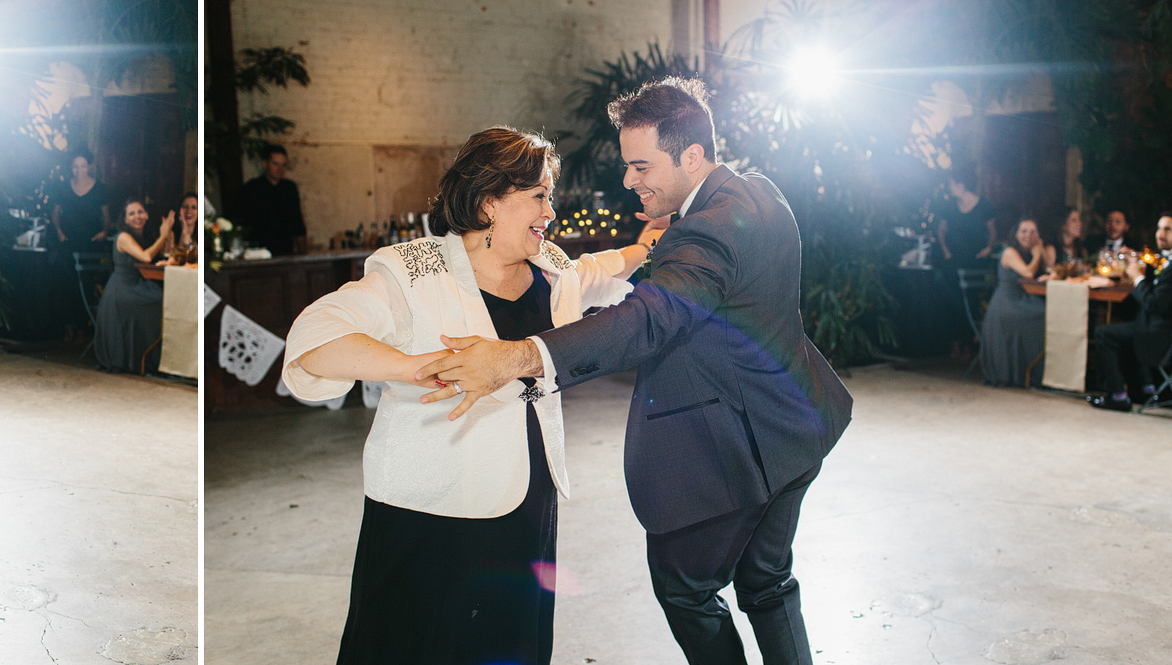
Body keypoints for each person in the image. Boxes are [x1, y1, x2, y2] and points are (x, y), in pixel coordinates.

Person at [414, 78, 852, 665]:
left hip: (734, 453)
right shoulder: (760, 195)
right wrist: (644, 251)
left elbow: (648, 319)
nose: (628, 180)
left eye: (641, 165)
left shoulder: (705, 233)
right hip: (796, 429)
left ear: (691, 156)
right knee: (769, 583)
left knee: (685, 589)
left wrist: (519, 356)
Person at [281, 127, 662, 664]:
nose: (550, 210)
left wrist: (645, 247)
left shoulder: (551, 269)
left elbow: (596, 272)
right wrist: (416, 367)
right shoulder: (414, 271)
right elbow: (313, 338)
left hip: (528, 500)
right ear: (490, 201)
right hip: (432, 509)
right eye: (538, 195)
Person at [1088, 212, 1172, 411]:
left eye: (1167, 229)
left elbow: (1155, 304)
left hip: (1171, 336)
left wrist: (1138, 278)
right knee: (1131, 321)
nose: (1160, 234)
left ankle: (1118, 396)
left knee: (1104, 333)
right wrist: (1143, 265)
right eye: (1159, 228)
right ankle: (1147, 389)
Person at [94, 197, 174, 373]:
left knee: (166, 296)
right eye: (131, 213)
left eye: (140, 212)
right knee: (161, 300)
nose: (137, 216)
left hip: (137, 286)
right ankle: (152, 359)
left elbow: (157, 255)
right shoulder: (123, 237)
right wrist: (163, 235)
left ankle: (154, 357)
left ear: (146, 215)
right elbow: (145, 257)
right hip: (122, 290)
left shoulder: (142, 236)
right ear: (125, 219)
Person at [980, 216, 1053, 387]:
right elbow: (1028, 274)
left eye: (1033, 231)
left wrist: (1042, 252)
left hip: (1023, 299)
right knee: (1041, 314)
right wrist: (1036, 255)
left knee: (1047, 311)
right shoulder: (1009, 252)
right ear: (1016, 234)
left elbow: (1049, 268)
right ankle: (1032, 372)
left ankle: (1038, 371)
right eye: (1024, 231)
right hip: (1007, 302)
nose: (1028, 235)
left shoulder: (1028, 252)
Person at [235, 144, 306, 255]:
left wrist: (303, 253)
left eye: (283, 165)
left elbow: (297, 222)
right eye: (275, 164)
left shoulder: (289, 188)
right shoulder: (252, 188)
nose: (280, 169)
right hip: (259, 251)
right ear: (265, 164)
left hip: (285, 249)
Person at [934, 168, 997, 268]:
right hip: (954, 259)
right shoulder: (949, 205)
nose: (949, 187)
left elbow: (992, 230)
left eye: (951, 184)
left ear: (961, 185)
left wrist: (989, 248)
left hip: (978, 258)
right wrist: (945, 250)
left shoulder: (984, 205)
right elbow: (941, 230)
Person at [52, 151, 111, 253]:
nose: (79, 170)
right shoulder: (63, 187)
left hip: (92, 242)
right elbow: (55, 212)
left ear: (89, 167)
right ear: (71, 168)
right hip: (68, 242)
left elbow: (106, 215)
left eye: (83, 166)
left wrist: (104, 232)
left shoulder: (100, 188)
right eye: (75, 166)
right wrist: (59, 231)